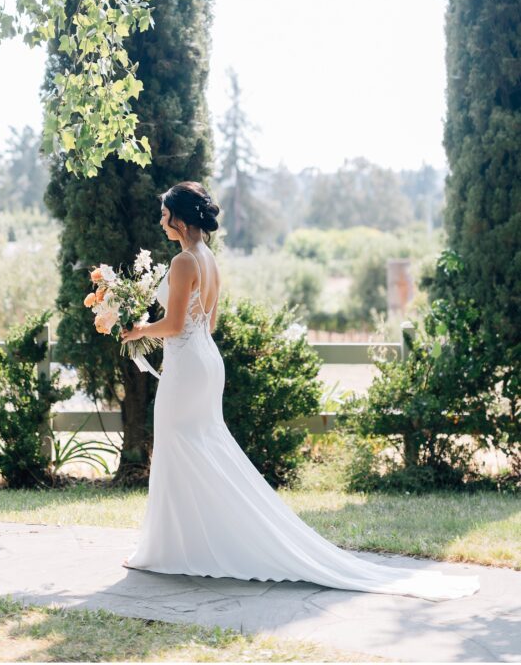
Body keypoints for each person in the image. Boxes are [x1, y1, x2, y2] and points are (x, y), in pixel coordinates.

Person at [120, 180, 479, 601]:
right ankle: (186, 544)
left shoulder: (184, 262)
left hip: (186, 365)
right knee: (199, 447)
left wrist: (137, 330)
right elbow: (208, 324)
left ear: (179, 219)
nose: (161, 221)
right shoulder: (209, 258)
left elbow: (176, 324)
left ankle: (174, 548)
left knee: (180, 446)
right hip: (205, 360)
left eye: (165, 215)